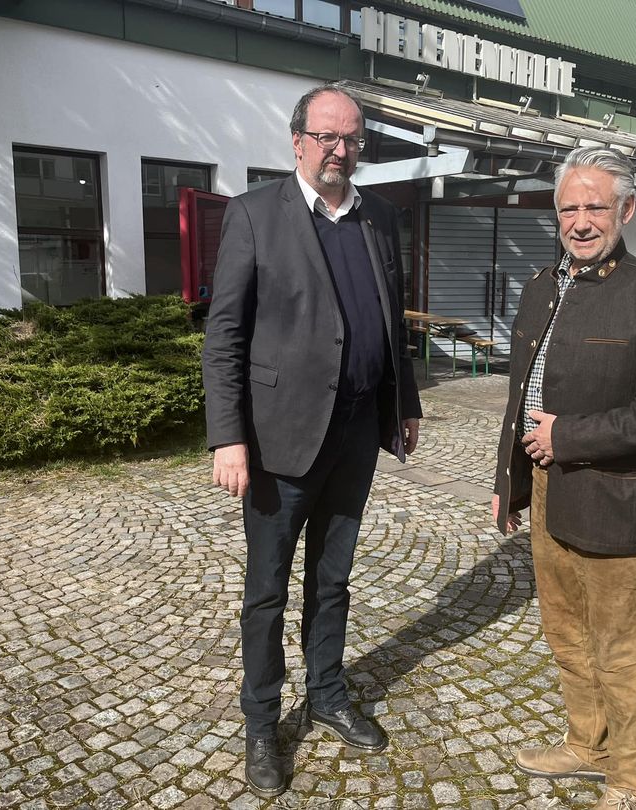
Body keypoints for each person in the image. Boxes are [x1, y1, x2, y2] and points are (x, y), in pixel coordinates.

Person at [201, 83, 421, 798]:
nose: (339, 149)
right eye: (327, 136)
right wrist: (227, 438)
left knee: (334, 579)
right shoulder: (255, 214)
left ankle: (327, 695)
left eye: (351, 138)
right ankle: (261, 723)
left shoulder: (380, 218)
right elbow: (224, 336)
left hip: (357, 431)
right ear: (297, 141)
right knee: (266, 591)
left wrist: (404, 403)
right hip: (278, 442)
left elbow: (394, 323)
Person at [491, 146, 636, 810]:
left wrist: (568, 437)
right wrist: (511, 481)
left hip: (618, 495)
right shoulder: (541, 285)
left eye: (595, 206)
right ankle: (588, 744)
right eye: (569, 207)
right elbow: (522, 395)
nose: (581, 221)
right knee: (566, 632)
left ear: (627, 210)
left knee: (624, 648)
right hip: (550, 488)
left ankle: (631, 782)